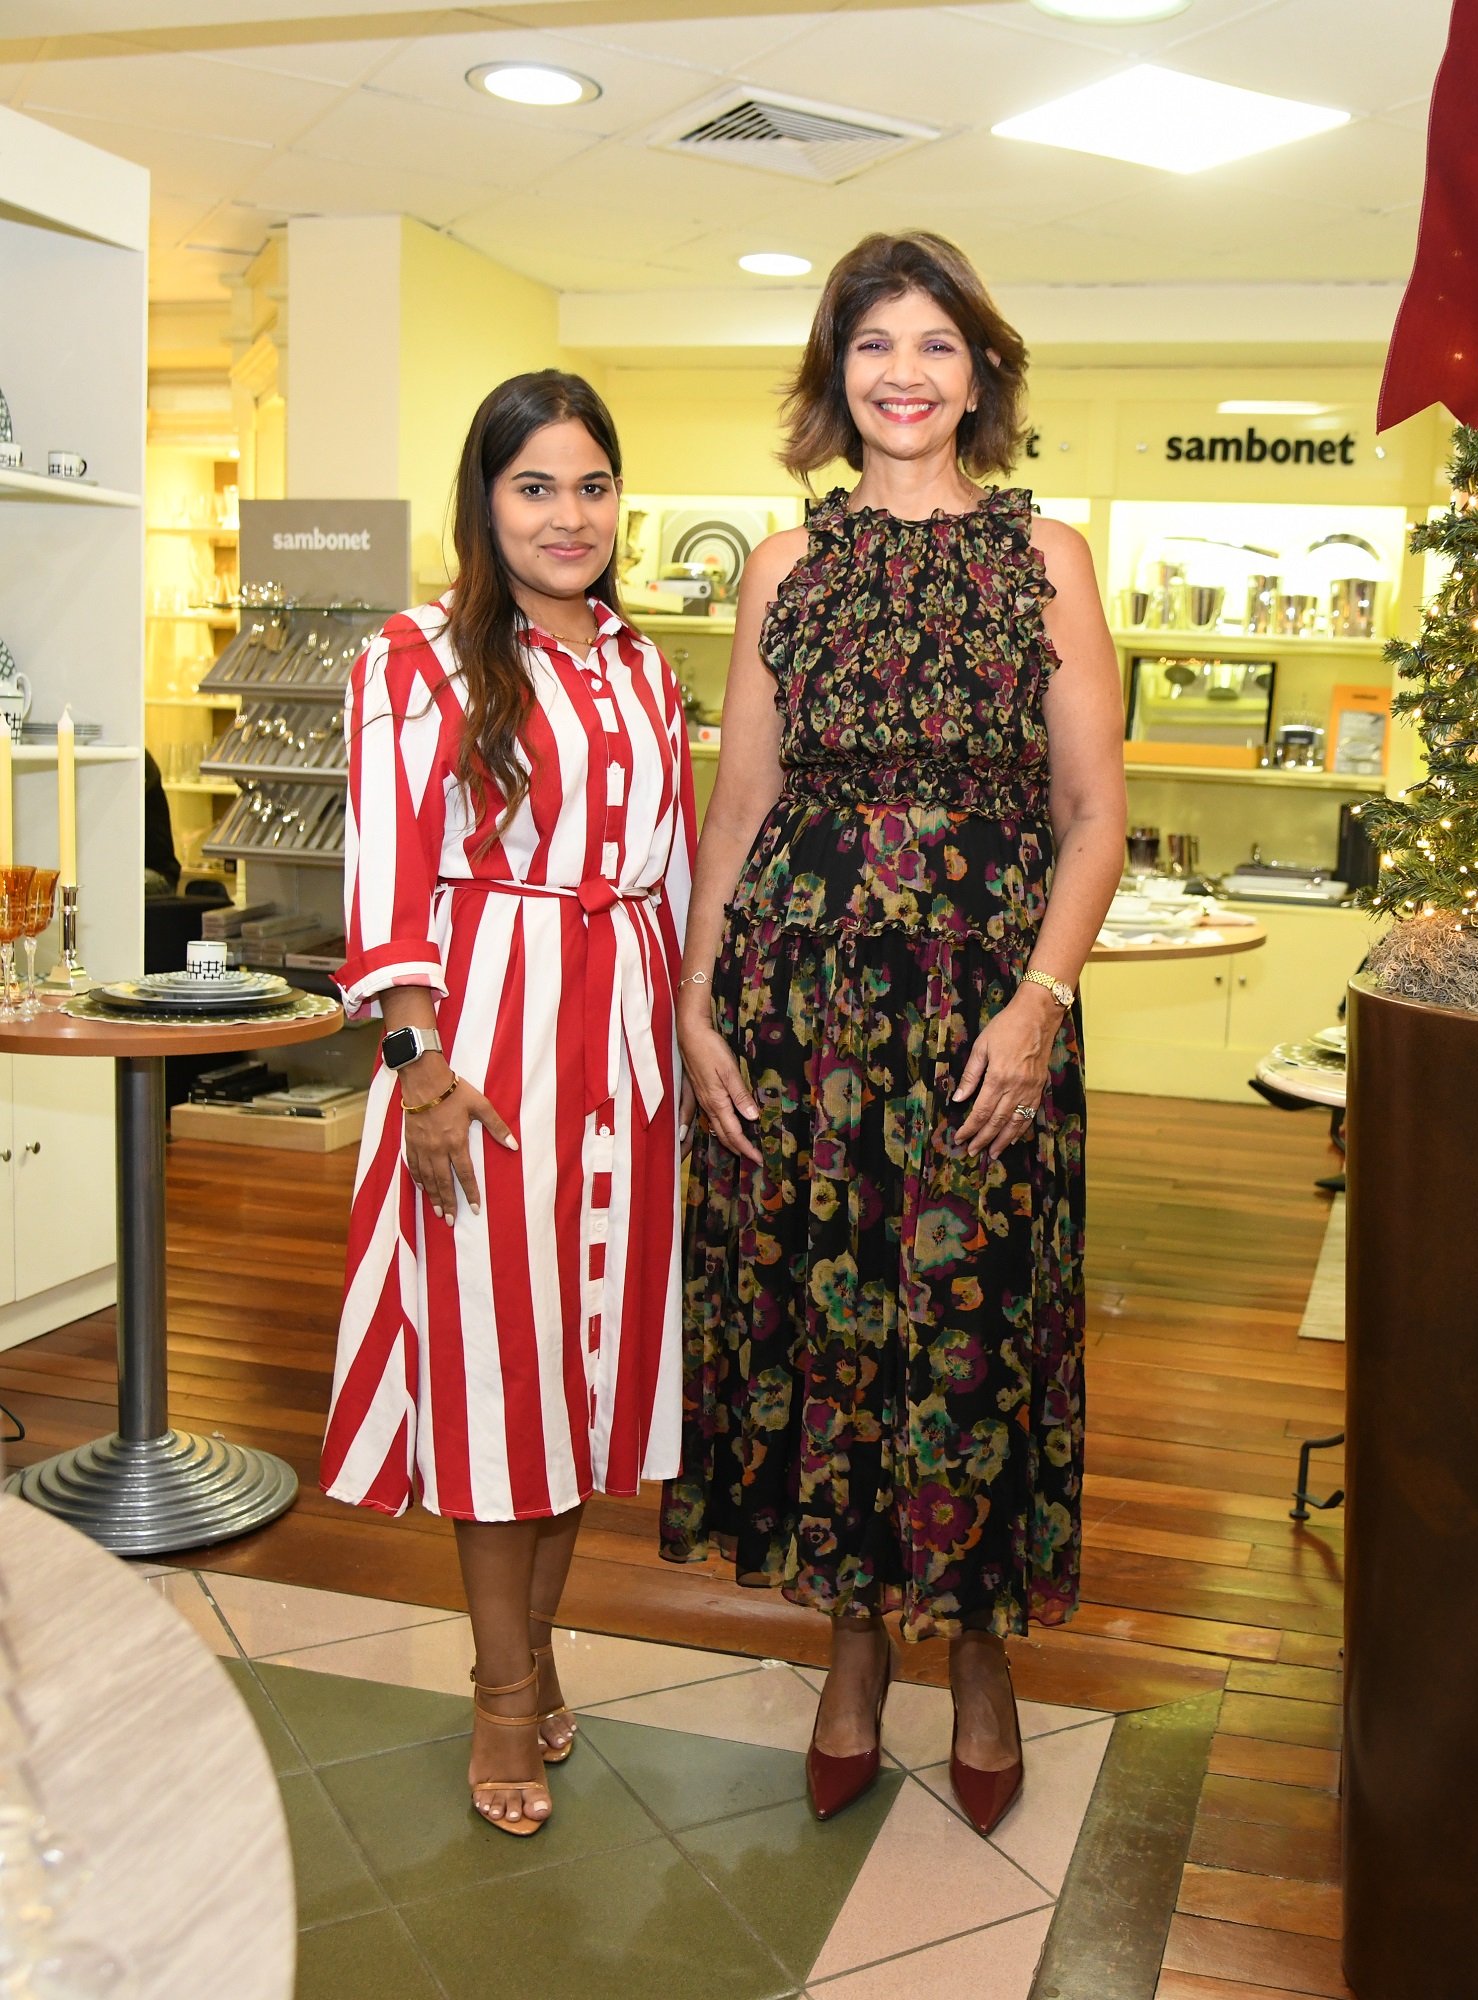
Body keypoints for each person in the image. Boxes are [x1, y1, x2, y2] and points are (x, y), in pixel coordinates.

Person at [663, 232, 1125, 1835]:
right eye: (873, 345)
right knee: (827, 1327)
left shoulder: (1045, 556)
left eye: (934, 343)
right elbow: (738, 807)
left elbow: (1091, 816)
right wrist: (696, 1004)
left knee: (977, 1332)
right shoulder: (782, 569)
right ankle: (853, 1648)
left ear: (980, 373)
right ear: (835, 373)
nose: (904, 374)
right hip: (799, 1016)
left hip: (985, 1016)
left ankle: (980, 1657)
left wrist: (1038, 1003)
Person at [322, 370, 694, 1835]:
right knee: (497, 1372)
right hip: (484, 1054)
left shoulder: (644, 664)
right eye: (535, 486)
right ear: (485, 502)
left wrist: (689, 1039)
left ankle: (534, 1654)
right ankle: (496, 1692)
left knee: (583, 1367)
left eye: (592, 486)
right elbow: (386, 872)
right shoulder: (414, 654)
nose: (568, 516)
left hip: (627, 1053)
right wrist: (416, 1067)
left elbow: (671, 865)